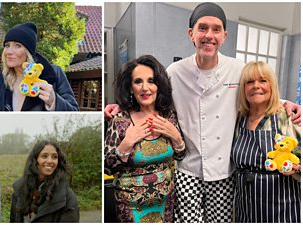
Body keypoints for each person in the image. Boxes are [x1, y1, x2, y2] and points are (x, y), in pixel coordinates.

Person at [105, 2, 301, 222]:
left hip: (223, 171)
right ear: (191, 34)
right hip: (187, 169)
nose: (209, 35)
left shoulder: (237, 69)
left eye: (216, 29)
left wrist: (286, 103)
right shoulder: (175, 72)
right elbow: (151, 96)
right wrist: (121, 106)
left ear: (224, 35)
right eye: (202, 28)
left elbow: (258, 91)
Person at [104, 55, 186, 223]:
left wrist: (176, 137)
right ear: (130, 87)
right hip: (131, 207)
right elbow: (106, 167)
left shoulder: (169, 116)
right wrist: (126, 143)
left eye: (151, 81)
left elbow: (180, 155)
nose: (145, 88)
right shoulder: (120, 120)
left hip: (166, 202)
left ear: (159, 85)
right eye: (138, 81)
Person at [231, 61, 301, 222]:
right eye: (249, 82)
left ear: (272, 86)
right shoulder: (239, 119)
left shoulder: (287, 116)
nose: (256, 86)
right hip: (246, 209)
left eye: (263, 80)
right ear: (243, 88)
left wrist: (297, 169)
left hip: (283, 210)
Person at [2, 22, 79, 111]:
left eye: (18, 45)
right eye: (7, 45)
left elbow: (74, 112)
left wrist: (54, 101)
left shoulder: (54, 73)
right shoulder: (1, 79)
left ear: (28, 52)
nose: (9, 51)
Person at [10, 140, 79, 222]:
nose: (50, 161)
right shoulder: (19, 190)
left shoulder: (67, 197)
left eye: (54, 157)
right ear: (35, 160)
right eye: (44, 156)